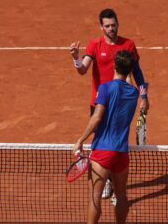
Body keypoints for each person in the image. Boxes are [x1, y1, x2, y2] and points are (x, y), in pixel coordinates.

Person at [69, 8, 149, 199]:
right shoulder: (94, 45)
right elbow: (82, 69)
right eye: (107, 26)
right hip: (99, 102)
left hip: (121, 103)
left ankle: (114, 183)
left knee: (116, 141)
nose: (111, 28)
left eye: (113, 25)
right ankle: (104, 182)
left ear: (117, 24)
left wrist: (144, 97)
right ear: (101, 27)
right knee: (99, 143)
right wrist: (75, 58)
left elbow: (138, 73)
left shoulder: (128, 45)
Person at [72, 50, 138, 224]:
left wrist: (81, 140)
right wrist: (129, 71)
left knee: (95, 196)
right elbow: (129, 83)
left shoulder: (105, 88)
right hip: (121, 153)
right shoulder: (133, 93)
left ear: (115, 66)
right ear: (130, 70)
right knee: (122, 194)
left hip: (102, 152)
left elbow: (97, 117)